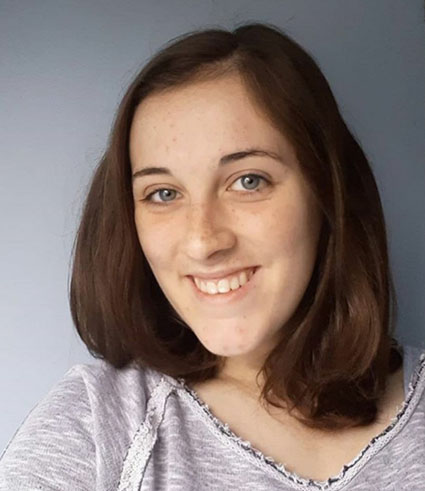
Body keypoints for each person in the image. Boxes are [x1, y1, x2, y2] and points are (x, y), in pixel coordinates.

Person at [0, 22, 424, 491]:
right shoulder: (97, 428)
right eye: (163, 193)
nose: (204, 241)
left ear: (328, 194)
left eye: (248, 181)